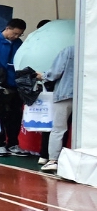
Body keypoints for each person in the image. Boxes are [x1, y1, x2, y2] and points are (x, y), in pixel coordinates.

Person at [0, 18, 28, 157]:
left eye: (19, 34)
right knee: (0, 115)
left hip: (15, 83)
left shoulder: (18, 43)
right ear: (7, 28)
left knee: (15, 115)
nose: (15, 37)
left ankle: (13, 144)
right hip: (0, 83)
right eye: (14, 33)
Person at [42, 44, 73, 173]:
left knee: (58, 129)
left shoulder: (69, 50)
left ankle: (53, 160)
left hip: (65, 93)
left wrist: (43, 75)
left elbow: (54, 73)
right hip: (87, 97)